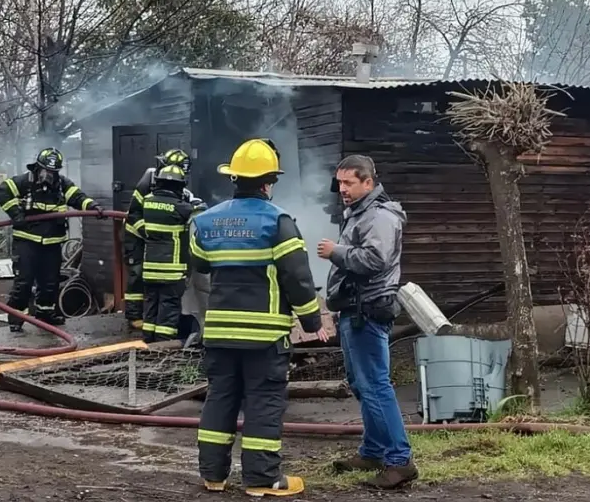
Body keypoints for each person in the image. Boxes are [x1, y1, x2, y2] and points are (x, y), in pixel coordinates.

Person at [191, 138, 329, 498]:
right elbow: (298, 279)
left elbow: (201, 265)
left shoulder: (205, 221)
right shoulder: (279, 222)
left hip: (219, 333)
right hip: (264, 337)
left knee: (220, 398)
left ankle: (213, 477)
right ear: (269, 182)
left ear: (233, 178)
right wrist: (313, 322)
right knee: (263, 403)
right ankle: (261, 479)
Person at [317, 154, 416, 490]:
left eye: (349, 183)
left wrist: (336, 251)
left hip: (369, 310)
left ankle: (399, 461)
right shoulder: (361, 213)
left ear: (368, 182)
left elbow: (375, 259)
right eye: (339, 182)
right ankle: (373, 451)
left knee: (375, 386)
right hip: (355, 310)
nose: (341, 189)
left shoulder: (380, 216)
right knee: (362, 384)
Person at [0, 148, 104, 332]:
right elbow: (2, 192)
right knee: (24, 282)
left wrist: (93, 206)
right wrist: (16, 213)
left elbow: (77, 197)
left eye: (53, 172)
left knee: (50, 282)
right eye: (46, 170)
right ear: (37, 168)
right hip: (27, 242)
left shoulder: (62, 184)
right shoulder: (24, 182)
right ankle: (16, 317)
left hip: (52, 243)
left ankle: (45, 313)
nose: (49, 175)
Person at [123, 149, 204, 330]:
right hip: (137, 235)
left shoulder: (175, 181)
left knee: (156, 282)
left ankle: (154, 320)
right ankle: (133, 315)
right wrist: (148, 231)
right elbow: (134, 213)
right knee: (137, 273)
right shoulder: (149, 180)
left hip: (158, 239)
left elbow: (186, 202)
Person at [139, 164, 197, 343]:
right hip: (172, 270)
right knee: (168, 305)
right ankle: (164, 343)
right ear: (180, 186)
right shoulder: (180, 207)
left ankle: (148, 338)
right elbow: (198, 212)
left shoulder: (147, 201)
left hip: (149, 267)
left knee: (151, 303)